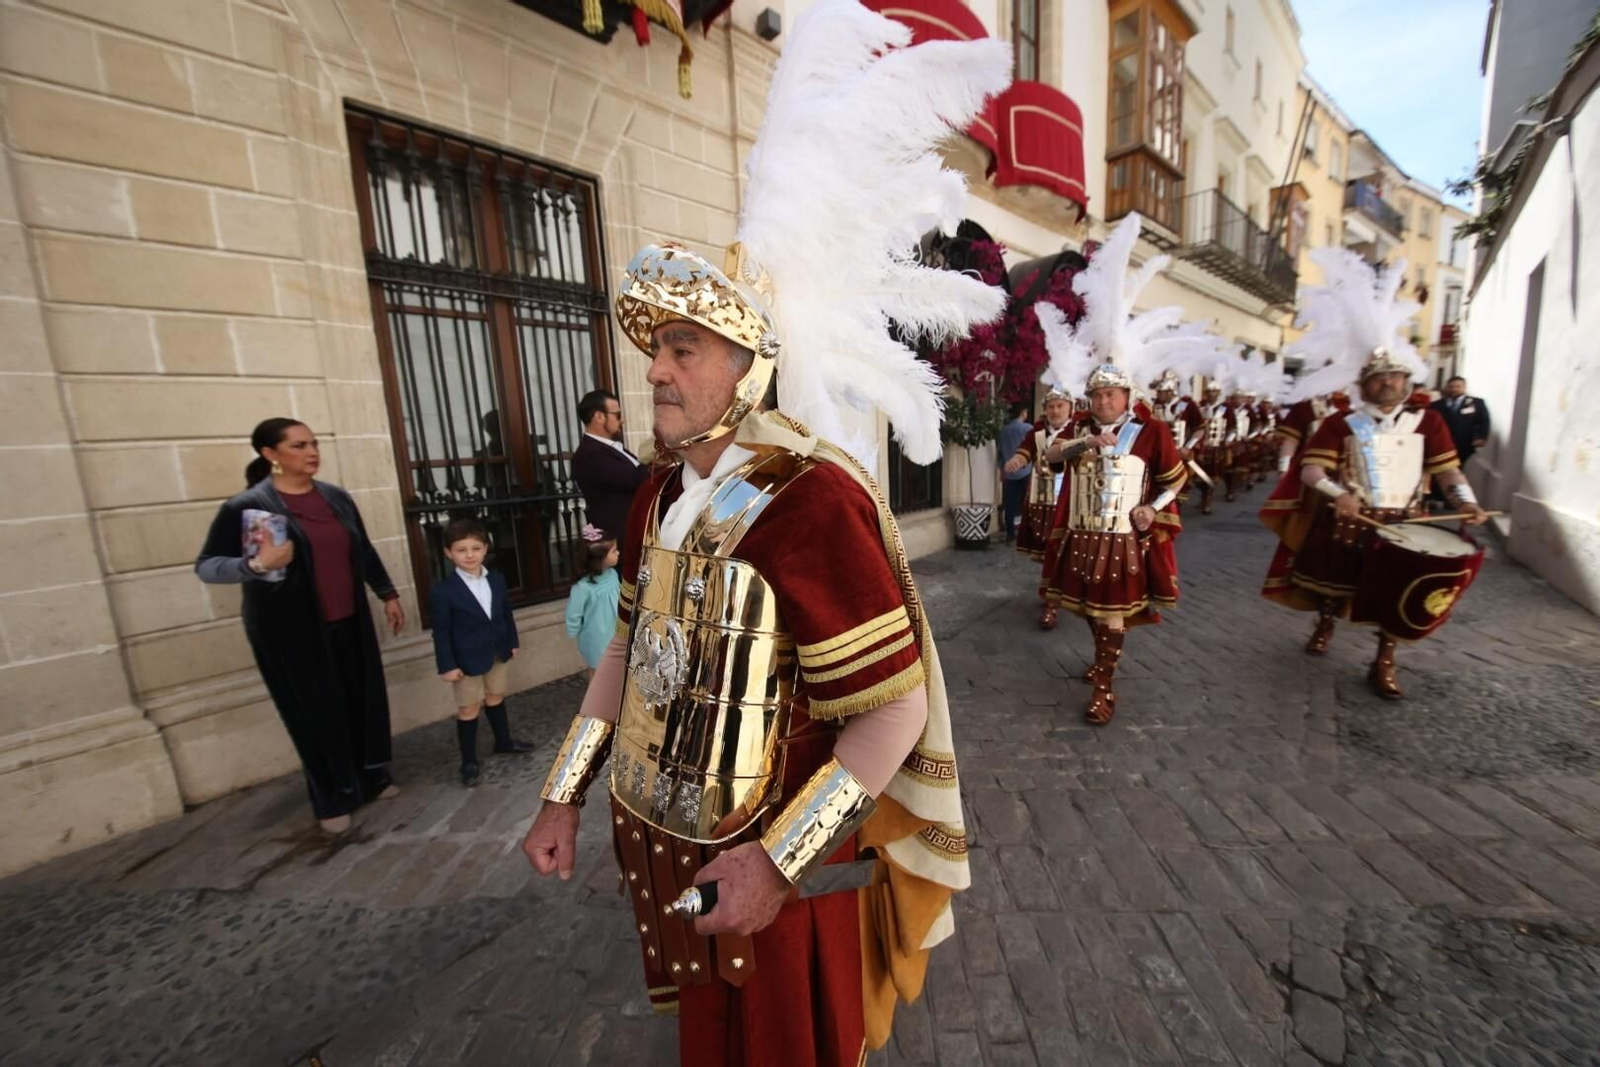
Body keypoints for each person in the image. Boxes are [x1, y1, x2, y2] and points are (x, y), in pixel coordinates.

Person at [519, 5, 998, 1061]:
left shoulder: (810, 501)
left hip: (778, 866)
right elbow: (623, 656)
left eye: (685, 348)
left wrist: (780, 861)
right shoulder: (651, 496)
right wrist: (562, 793)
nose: (655, 369)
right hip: (667, 838)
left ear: (748, 366)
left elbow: (892, 709)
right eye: (654, 348)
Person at [1261, 251, 1488, 699]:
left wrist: (1465, 500)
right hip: (1349, 516)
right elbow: (1312, 470)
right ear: (1363, 382)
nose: (1387, 383)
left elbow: (1448, 471)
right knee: (1333, 583)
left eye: (1394, 377)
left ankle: (1384, 660)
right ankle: (1325, 622)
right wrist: (1336, 493)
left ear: (1407, 381)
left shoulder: (1429, 422)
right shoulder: (1338, 422)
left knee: (1395, 589)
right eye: (1379, 377)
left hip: (1405, 519)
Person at [1031, 214, 1225, 725]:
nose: (1101, 399)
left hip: (1122, 537)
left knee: (1114, 613)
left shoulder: (1153, 430)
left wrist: (1150, 508)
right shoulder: (1074, 426)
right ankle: (1099, 662)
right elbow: (1049, 459)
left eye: (1109, 393)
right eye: (1095, 393)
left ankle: (1105, 685)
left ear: (1127, 395)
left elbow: (1175, 479)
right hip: (1081, 533)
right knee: (1090, 611)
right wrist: (1083, 443)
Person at [195, 418, 405, 835]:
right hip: (289, 630)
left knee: (360, 700)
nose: (311, 452)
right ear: (270, 454)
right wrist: (255, 564)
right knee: (314, 713)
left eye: (313, 443)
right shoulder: (248, 507)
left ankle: (371, 777)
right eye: (298, 446)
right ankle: (332, 796)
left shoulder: (336, 498)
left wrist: (386, 593)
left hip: (348, 619)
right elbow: (207, 566)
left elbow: (361, 549)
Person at [430, 518, 531, 788]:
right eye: (461, 550)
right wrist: (447, 665)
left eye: (475, 548)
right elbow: (441, 633)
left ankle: (503, 741)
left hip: (496, 651)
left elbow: (505, 614)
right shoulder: (443, 591)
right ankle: (468, 760)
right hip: (465, 660)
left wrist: (512, 641)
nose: (469, 555)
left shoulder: (496, 580)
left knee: (496, 696)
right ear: (448, 553)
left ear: (485, 549)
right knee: (469, 707)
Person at [1001, 383, 1078, 628]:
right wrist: (1016, 460)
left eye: (1060, 406)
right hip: (1041, 502)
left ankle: (1052, 602)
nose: (1055, 411)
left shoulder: (1079, 430)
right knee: (1049, 555)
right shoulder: (1037, 431)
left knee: (1059, 553)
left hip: (1069, 504)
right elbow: (1025, 451)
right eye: (1051, 406)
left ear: (1070, 408)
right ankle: (1054, 594)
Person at [571, 388, 649, 539]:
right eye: (617, 415)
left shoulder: (612, 447)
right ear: (599, 417)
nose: (622, 420)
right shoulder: (589, 455)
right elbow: (634, 479)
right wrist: (654, 454)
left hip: (638, 533)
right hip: (621, 539)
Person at [563, 523, 620, 679]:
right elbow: (573, 613)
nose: (618, 553)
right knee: (598, 674)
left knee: (616, 672)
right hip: (596, 638)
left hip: (616, 632)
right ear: (600, 559)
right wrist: (574, 631)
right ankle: (594, 703)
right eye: (614, 551)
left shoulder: (613, 575)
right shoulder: (583, 587)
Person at [1430, 376, 1491, 465]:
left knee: (1458, 465)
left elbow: (1484, 420)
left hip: (1465, 443)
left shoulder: (1476, 403)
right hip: (1442, 443)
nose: (1454, 389)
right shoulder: (1436, 405)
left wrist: (1481, 437)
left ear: (1464, 387)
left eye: (1458, 387)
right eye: (1451, 387)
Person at [997, 402, 1032, 542]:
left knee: (1009, 503)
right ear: (1023, 412)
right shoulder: (1029, 429)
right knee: (1028, 503)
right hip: (1026, 471)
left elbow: (1000, 453)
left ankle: (1010, 532)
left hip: (1009, 472)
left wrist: (1001, 470)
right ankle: (1028, 532)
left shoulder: (1004, 430)